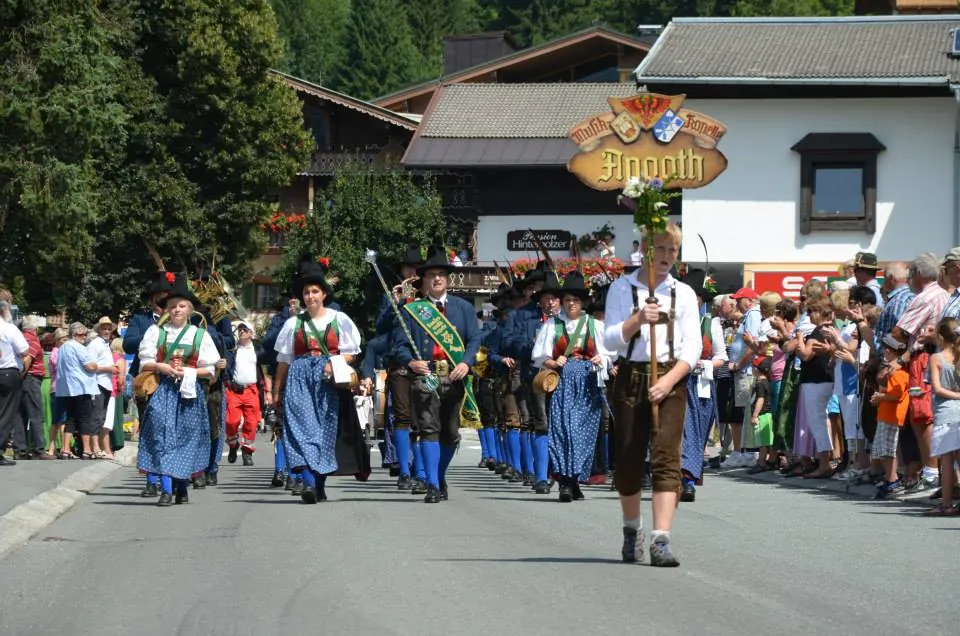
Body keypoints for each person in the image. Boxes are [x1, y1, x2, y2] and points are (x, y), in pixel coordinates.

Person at [603, 223, 701, 567]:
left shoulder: (684, 293)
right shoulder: (622, 288)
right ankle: (632, 530)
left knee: (666, 458)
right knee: (628, 459)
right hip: (631, 376)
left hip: (670, 378)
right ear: (645, 250)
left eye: (672, 250)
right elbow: (610, 339)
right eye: (660, 249)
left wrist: (669, 379)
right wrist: (637, 319)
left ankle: (662, 540)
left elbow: (694, 347)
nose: (667, 257)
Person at [273, 258, 368, 504]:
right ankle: (309, 483)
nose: (310, 296)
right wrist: (275, 392)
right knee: (301, 431)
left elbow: (354, 353)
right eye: (306, 292)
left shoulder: (339, 319)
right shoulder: (293, 323)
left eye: (315, 291)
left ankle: (319, 484)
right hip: (300, 378)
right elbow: (284, 360)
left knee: (324, 433)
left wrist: (334, 360)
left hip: (329, 379)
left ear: (324, 294)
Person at [394, 248, 482, 503]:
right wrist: (411, 362)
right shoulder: (412, 310)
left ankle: (439, 474)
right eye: (431, 274)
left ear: (447, 278)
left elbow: (475, 339)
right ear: (424, 280)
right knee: (429, 430)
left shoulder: (464, 308)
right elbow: (398, 345)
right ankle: (432, 483)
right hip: (427, 377)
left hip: (455, 376)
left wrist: (466, 363)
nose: (436, 279)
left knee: (451, 435)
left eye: (441, 274)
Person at [136, 275, 221, 506]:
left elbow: (210, 370)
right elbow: (145, 362)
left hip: (189, 394)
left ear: (189, 309)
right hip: (164, 391)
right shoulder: (156, 332)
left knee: (185, 439)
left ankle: (181, 485)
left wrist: (188, 372)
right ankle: (166, 489)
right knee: (162, 438)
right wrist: (161, 366)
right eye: (172, 306)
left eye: (181, 306)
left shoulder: (199, 335)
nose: (176, 310)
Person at [532, 271, 612, 501]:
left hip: (588, 386)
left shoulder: (594, 325)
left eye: (576, 300)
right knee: (563, 432)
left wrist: (601, 358)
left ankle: (574, 479)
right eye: (567, 300)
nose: (572, 304)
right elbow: (539, 356)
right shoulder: (553, 326)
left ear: (583, 302)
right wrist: (553, 361)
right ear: (562, 302)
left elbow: (610, 353)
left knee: (584, 435)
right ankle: (564, 483)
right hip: (562, 385)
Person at [377, 247, 423, 492]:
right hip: (399, 363)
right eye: (408, 268)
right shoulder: (391, 295)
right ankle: (405, 471)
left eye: (416, 268)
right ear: (402, 271)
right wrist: (394, 304)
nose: (412, 272)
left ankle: (422, 470)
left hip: (425, 364)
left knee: (423, 418)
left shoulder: (426, 296)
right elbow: (381, 327)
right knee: (403, 417)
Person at [124, 272, 173, 496]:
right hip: (147, 381)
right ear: (152, 299)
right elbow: (128, 344)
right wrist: (152, 333)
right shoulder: (141, 320)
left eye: (168, 299)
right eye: (160, 299)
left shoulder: (181, 321)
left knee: (171, 431)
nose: (164, 304)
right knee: (149, 430)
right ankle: (151, 479)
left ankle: (171, 476)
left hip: (173, 380)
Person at [679, 269, 725, 501]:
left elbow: (721, 357)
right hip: (677, 382)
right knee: (682, 431)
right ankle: (685, 479)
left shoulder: (711, 323)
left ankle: (689, 475)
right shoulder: (672, 323)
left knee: (697, 433)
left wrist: (703, 364)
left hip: (701, 385)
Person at [925, 318, 960, 515]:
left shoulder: (937, 358)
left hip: (946, 412)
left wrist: (956, 395)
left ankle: (946, 504)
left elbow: (938, 389)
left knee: (946, 461)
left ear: (940, 336)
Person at [870, 334, 910, 499]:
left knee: (888, 450)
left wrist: (880, 396)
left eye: (890, 349)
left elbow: (896, 394)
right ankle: (889, 477)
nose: (886, 350)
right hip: (885, 414)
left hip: (891, 416)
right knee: (882, 450)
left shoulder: (898, 372)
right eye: (885, 347)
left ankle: (892, 479)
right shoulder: (890, 370)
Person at [224, 321, 264, 467]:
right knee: (230, 421)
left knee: (251, 423)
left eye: (245, 329)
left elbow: (264, 367)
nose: (241, 332)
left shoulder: (258, 349)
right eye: (240, 330)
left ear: (251, 333)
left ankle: (247, 452)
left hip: (251, 390)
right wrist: (227, 380)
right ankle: (233, 444)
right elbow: (226, 368)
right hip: (234, 391)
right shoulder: (233, 350)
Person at [0, 300, 28, 466]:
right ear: (4, 311)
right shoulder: (9, 328)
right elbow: (24, 349)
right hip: (7, 372)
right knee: (5, 412)